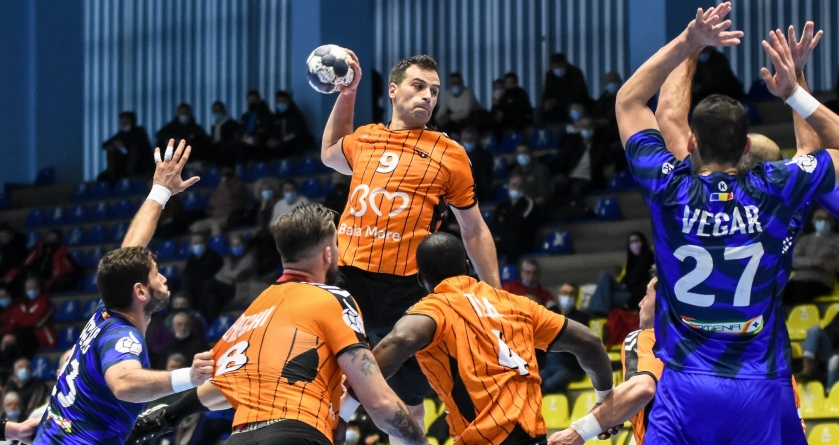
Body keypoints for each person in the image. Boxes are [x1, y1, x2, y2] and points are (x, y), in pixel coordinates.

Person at [615, 6, 835, 443]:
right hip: (761, 384)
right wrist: (794, 90)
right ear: (748, 147)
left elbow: (633, 103)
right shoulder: (780, 192)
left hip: (685, 384)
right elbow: (814, 148)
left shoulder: (671, 189)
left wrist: (689, 43)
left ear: (692, 143)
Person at [126, 203, 428, 445]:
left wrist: (165, 417)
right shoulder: (334, 298)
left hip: (240, 437)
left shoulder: (256, 309)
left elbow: (222, 387)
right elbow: (379, 401)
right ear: (328, 253)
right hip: (298, 430)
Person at [320, 52, 501, 437]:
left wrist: (496, 296)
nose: (427, 97)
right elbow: (330, 151)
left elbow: (473, 229)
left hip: (406, 292)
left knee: (409, 404)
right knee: (329, 384)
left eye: (434, 91)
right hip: (349, 283)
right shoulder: (366, 138)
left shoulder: (450, 154)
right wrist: (348, 93)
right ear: (393, 90)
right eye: (418, 86)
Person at [339, 232, 613, 444]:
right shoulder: (517, 304)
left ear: (421, 279)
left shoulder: (435, 309)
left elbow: (398, 341)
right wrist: (604, 399)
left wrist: (343, 413)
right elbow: (589, 342)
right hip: (533, 437)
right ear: (468, 267)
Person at [33, 139, 215, 444]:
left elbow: (130, 248)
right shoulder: (122, 336)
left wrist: (161, 190)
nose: (164, 278)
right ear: (140, 292)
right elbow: (124, 383)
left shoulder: (106, 311)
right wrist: (191, 377)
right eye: (156, 274)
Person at [550, 269, 806, 445]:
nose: (640, 303)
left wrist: (578, 432)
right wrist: (613, 412)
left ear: (665, 303)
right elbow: (793, 422)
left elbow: (642, 388)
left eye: (647, 295)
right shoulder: (755, 354)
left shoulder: (650, 337)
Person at [540, 284, 592, 394]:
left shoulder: (581, 318)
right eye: (564, 293)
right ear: (559, 296)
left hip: (569, 367)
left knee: (549, 384)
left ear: (576, 298)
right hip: (549, 364)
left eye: (571, 294)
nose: (567, 296)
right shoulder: (551, 316)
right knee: (531, 380)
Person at [586, 232, 655, 315]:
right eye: (631, 242)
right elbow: (627, 278)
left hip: (636, 295)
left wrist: (627, 286)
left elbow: (637, 280)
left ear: (643, 242)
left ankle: (599, 312)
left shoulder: (648, 256)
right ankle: (598, 309)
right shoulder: (631, 260)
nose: (634, 244)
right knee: (604, 276)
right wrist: (624, 283)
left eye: (636, 241)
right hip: (627, 290)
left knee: (608, 297)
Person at [784, 208, 839, 305]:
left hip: (821, 281)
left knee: (797, 292)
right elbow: (794, 260)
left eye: (827, 219)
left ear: (833, 221)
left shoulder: (837, 241)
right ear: (813, 220)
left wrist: (831, 265)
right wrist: (813, 262)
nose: (823, 222)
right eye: (819, 218)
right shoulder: (805, 240)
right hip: (798, 279)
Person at [201, 233, 257, 321]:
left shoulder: (250, 258)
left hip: (238, 289)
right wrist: (228, 276)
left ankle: (201, 314)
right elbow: (218, 275)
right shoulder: (228, 259)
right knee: (212, 299)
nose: (236, 247)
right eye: (233, 245)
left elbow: (238, 274)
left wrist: (226, 275)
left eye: (238, 244)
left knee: (209, 284)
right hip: (225, 288)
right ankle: (211, 322)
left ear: (244, 245)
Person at [6, 230, 81, 293]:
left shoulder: (61, 253)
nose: (51, 240)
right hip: (32, 278)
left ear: (58, 241)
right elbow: (24, 264)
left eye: (54, 238)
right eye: (50, 237)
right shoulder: (37, 250)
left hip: (50, 282)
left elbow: (74, 268)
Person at [490, 175, 539, 262]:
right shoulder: (501, 207)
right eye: (514, 185)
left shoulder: (529, 204)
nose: (516, 188)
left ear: (523, 188)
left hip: (522, 241)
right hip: (504, 239)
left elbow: (520, 224)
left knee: (515, 240)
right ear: (508, 187)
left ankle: (509, 267)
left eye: (519, 186)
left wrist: (505, 226)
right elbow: (495, 226)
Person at [189, 167, 248, 236]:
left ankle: (217, 242)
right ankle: (199, 241)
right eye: (224, 174)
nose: (225, 176)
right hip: (215, 217)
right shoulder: (220, 186)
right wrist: (223, 201)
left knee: (216, 225)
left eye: (227, 174)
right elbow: (211, 201)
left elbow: (229, 197)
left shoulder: (239, 185)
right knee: (196, 226)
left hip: (229, 217)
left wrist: (225, 184)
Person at [3, 276, 58, 349]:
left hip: (44, 339)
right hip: (24, 340)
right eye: (29, 288)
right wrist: (27, 317)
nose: (31, 290)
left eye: (34, 287)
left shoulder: (45, 302)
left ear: (39, 288)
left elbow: (36, 321)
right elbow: (13, 322)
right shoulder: (21, 305)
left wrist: (22, 319)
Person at [100, 112, 154, 182]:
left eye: (126, 121)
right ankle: (112, 176)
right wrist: (112, 146)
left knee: (134, 151)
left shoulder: (139, 131)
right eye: (122, 121)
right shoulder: (121, 134)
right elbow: (105, 144)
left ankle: (129, 175)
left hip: (140, 164)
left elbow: (140, 146)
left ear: (132, 121)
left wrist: (124, 144)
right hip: (124, 163)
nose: (123, 123)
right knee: (110, 151)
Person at [541, 53, 592, 125]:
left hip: (575, 103)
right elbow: (547, 92)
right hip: (557, 107)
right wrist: (546, 102)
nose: (558, 69)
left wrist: (556, 101)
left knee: (574, 109)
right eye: (555, 67)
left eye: (560, 66)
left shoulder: (575, 73)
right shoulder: (549, 75)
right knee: (541, 111)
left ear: (565, 64)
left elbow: (579, 93)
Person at [265, 91, 314, 160]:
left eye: (283, 101)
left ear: (288, 102)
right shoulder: (276, 117)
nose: (281, 104)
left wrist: (280, 141)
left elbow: (296, 133)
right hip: (281, 144)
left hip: (294, 144)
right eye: (278, 102)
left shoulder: (295, 115)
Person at [180, 233, 224, 308]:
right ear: (191, 245)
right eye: (195, 243)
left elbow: (208, 275)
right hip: (194, 289)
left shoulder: (214, 257)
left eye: (200, 243)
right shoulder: (192, 259)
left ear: (205, 244)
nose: (198, 245)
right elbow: (186, 273)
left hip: (209, 289)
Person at [459, 127, 493, 203]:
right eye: (466, 140)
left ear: (476, 140)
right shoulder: (456, 155)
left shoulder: (485, 156)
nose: (468, 142)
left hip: (480, 194)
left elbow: (486, 179)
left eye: (471, 140)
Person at [239, 90, 273, 161]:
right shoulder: (245, 116)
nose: (252, 103)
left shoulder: (266, 115)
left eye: (254, 100)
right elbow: (241, 130)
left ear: (259, 100)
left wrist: (255, 137)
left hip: (260, 140)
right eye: (250, 101)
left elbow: (267, 130)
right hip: (246, 140)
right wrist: (243, 138)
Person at [591, 71, 623, 145]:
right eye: (608, 82)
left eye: (613, 81)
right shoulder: (603, 98)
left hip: (617, 134)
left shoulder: (624, 98)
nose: (611, 84)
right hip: (601, 133)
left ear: (619, 82)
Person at [209, 101, 242, 167]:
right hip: (216, 151)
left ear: (223, 110)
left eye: (218, 110)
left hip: (227, 151)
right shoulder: (214, 126)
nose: (217, 113)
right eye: (215, 111)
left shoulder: (231, 123)